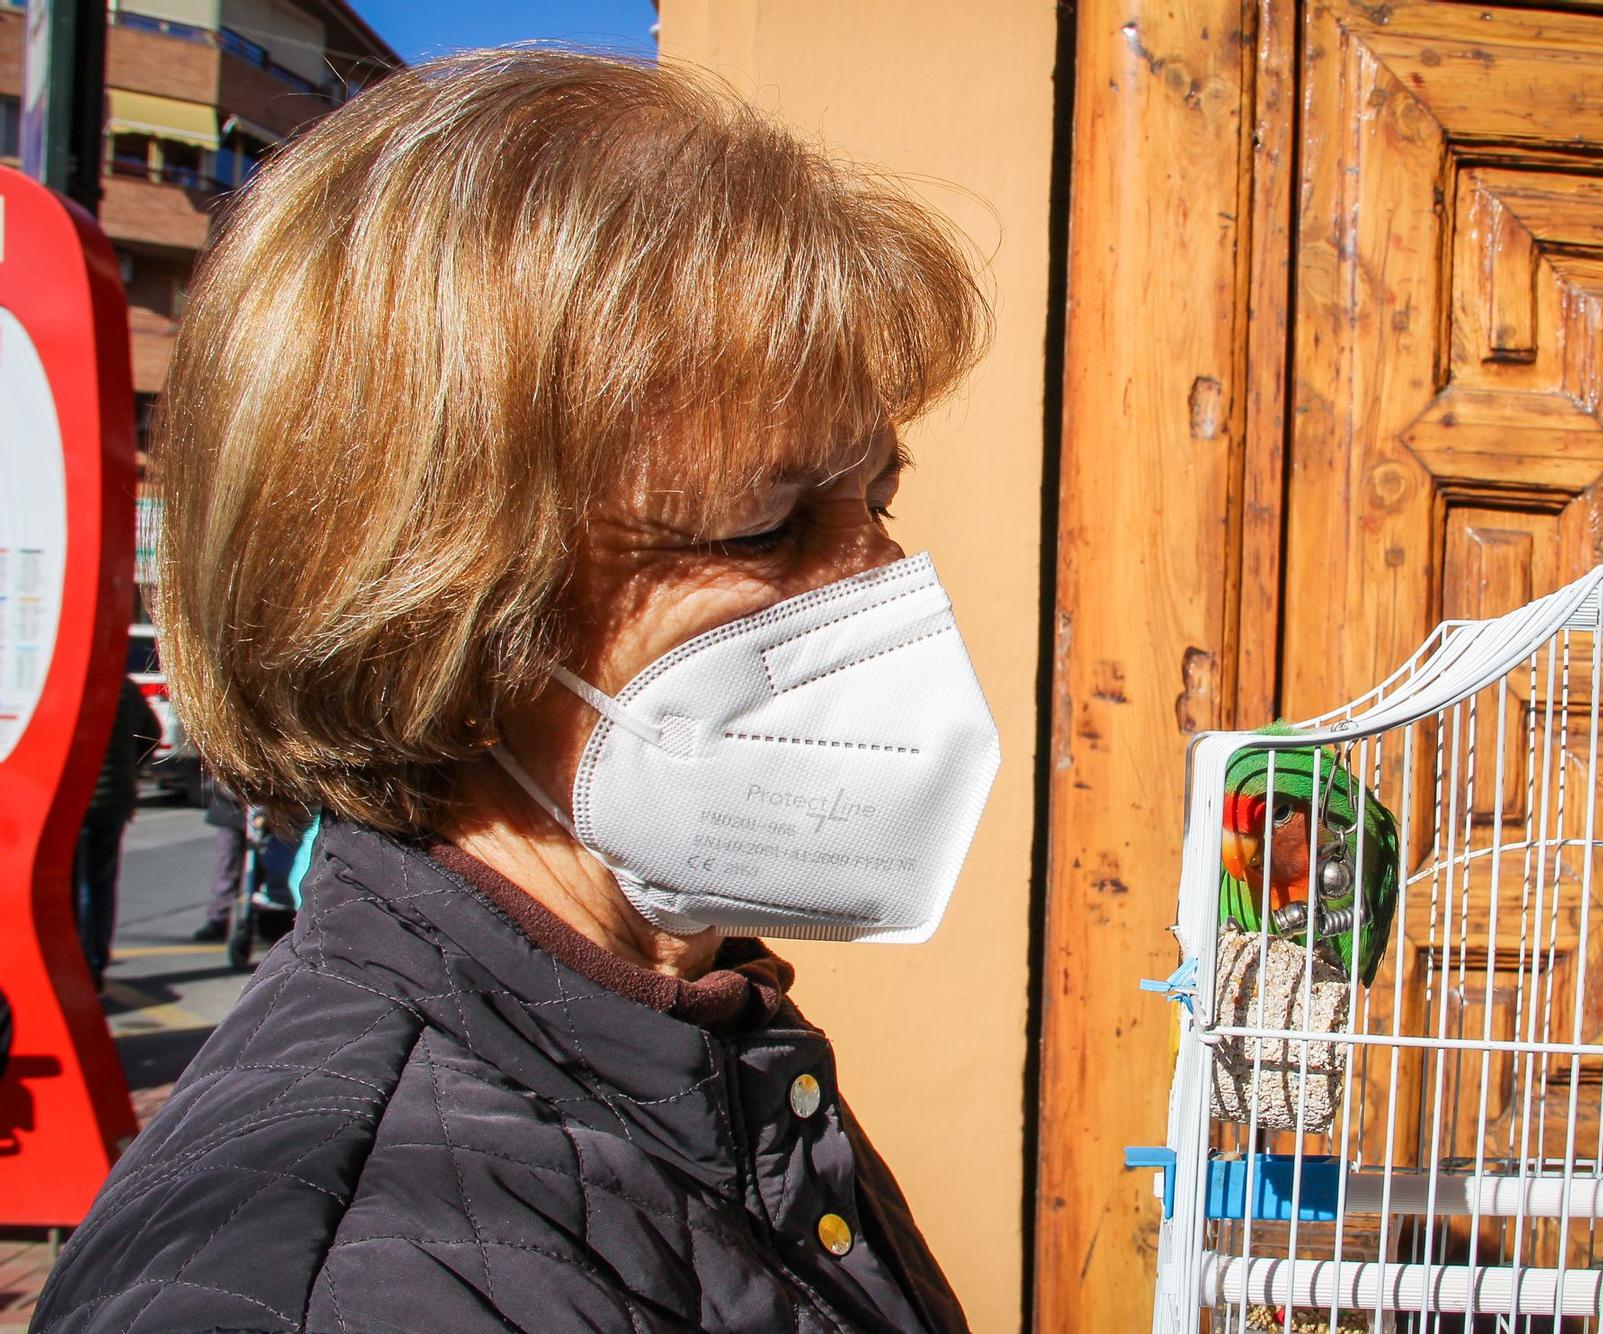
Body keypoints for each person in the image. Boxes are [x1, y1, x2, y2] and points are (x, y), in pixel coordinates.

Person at [34, 49, 997, 1333]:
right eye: (765, 528)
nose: (882, 586)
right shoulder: (345, 1280)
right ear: (435, 605)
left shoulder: (688, 1042)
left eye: (875, 499)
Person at [72, 674, 161, 988]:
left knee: (76, 885)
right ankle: (97, 958)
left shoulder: (66, 683)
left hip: (74, 800)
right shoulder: (124, 688)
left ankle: (81, 961)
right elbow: (153, 734)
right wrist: (132, 766)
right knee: (101, 882)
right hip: (116, 800)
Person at [189, 773, 242, 942]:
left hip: (272, 802)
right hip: (231, 798)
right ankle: (218, 917)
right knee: (227, 861)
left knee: (270, 860)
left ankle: (265, 916)